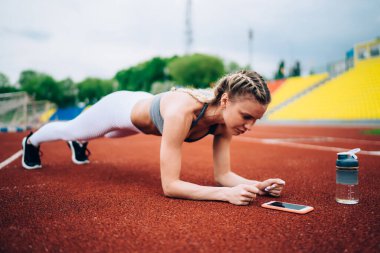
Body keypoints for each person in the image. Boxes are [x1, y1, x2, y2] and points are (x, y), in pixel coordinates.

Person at [22, 70, 285, 206]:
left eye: (255, 120)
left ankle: (79, 143)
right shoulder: (182, 112)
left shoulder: (225, 123)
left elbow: (223, 176)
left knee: (110, 137)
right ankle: (31, 142)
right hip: (119, 110)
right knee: (74, 130)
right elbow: (170, 186)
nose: (249, 126)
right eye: (247, 117)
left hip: (140, 118)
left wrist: (257, 186)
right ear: (226, 101)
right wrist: (226, 195)